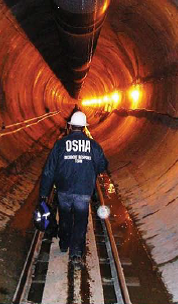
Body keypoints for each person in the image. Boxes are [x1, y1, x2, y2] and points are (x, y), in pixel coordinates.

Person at [38, 111, 108, 265]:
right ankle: (76, 254)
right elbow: (103, 165)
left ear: (69, 126)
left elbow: (49, 170)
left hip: (64, 190)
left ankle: (64, 244)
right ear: (84, 128)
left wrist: (44, 194)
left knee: (65, 216)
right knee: (81, 221)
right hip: (83, 190)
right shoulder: (93, 146)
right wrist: (90, 169)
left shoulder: (60, 144)